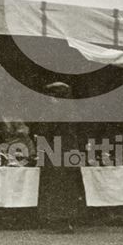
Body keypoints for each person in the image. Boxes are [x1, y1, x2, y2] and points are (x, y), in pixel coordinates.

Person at [34, 81, 84, 234]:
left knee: (55, 186)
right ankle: (68, 219)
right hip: (70, 151)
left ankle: (58, 220)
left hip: (55, 152)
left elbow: (45, 128)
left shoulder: (54, 110)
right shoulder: (72, 110)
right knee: (68, 185)